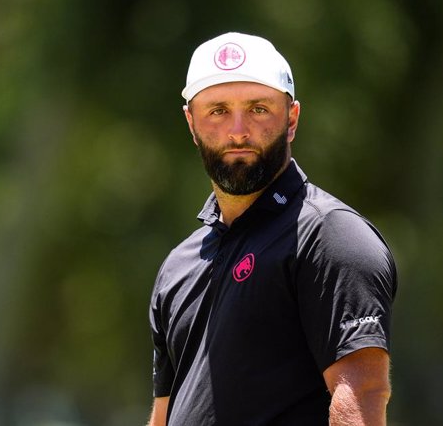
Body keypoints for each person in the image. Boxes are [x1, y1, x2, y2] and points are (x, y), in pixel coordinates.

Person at [147, 32, 397, 426]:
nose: (238, 131)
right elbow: (164, 414)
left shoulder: (330, 236)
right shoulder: (179, 264)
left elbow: (363, 393)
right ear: (191, 123)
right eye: (217, 111)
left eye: (259, 109)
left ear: (291, 119)